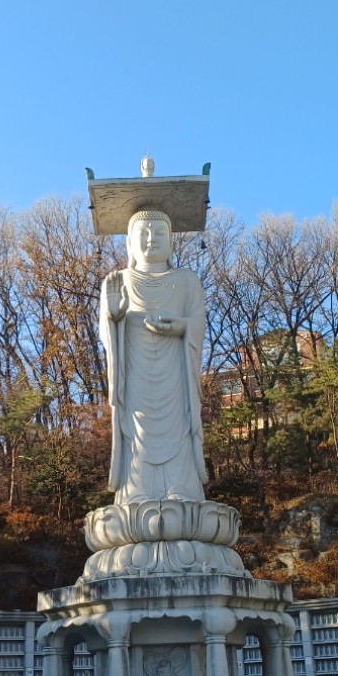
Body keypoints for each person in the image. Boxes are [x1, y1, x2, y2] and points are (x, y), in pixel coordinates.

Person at [100, 208, 207, 504]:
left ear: (172, 242)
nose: (151, 239)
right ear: (130, 244)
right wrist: (113, 315)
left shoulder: (187, 281)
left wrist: (183, 326)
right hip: (135, 373)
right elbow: (106, 331)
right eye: (143, 233)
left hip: (176, 373)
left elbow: (197, 321)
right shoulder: (118, 280)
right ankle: (137, 490)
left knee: (179, 425)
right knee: (136, 427)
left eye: (160, 233)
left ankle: (181, 489)